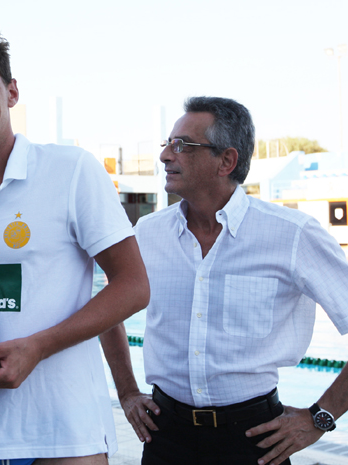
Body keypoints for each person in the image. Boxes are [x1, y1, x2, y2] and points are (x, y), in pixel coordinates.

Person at [0, 28, 149, 465]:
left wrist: (37, 347)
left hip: (64, 431)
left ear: (12, 92)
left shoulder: (71, 170)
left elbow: (134, 286)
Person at [101, 96, 348, 465]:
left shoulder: (292, 235)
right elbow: (108, 310)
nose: (165, 156)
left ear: (226, 161)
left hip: (256, 441)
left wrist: (320, 417)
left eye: (181, 145)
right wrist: (126, 392)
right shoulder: (148, 234)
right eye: (167, 144)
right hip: (165, 436)